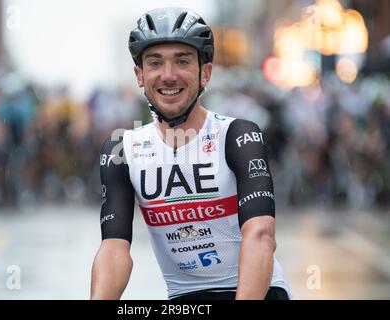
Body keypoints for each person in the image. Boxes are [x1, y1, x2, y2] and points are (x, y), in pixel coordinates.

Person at [90, 7, 292, 300]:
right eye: (155, 63)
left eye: (182, 61)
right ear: (139, 75)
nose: (168, 75)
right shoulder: (122, 149)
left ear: (205, 73)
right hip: (185, 299)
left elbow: (261, 234)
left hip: (257, 291)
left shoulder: (238, 136)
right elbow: (114, 248)